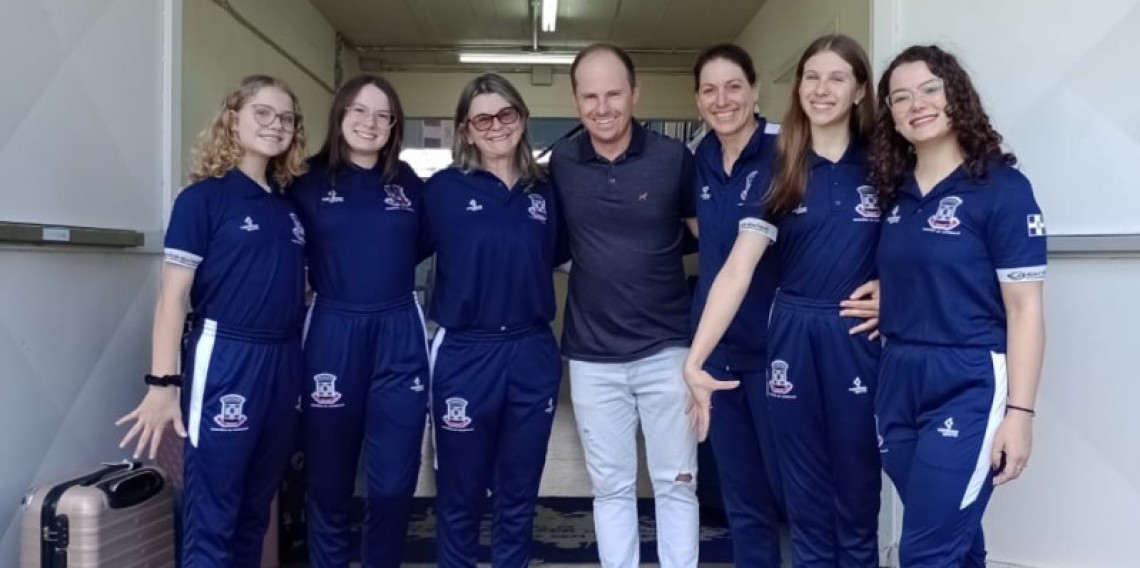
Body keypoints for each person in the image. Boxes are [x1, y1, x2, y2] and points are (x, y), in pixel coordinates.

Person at [685, 35, 882, 567]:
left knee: (857, 501)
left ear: (859, 90)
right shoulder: (783, 166)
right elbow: (737, 269)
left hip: (857, 339)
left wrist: (895, 290)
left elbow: (920, 245)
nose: (821, 89)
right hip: (791, 340)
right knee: (805, 506)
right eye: (811, 77)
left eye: (836, 78)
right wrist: (695, 360)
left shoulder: (886, 161)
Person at [116, 74, 309, 567]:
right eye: (263, 113)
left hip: (285, 360)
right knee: (213, 517)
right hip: (226, 359)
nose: (276, 124)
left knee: (254, 515)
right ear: (233, 118)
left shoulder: (287, 207)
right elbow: (172, 299)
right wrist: (163, 385)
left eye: (286, 118)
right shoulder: (202, 199)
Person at [870, 45, 1046, 567]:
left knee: (924, 550)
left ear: (957, 97)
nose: (916, 104)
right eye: (901, 97)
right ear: (891, 115)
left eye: (930, 89)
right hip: (897, 376)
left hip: (968, 380)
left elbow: (1025, 310)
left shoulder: (1002, 190)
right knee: (953, 537)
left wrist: (1020, 414)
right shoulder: (893, 191)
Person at [550, 43, 699, 568]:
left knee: (677, 483)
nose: (602, 107)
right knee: (611, 489)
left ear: (635, 93)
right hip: (592, 357)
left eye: (613, 93)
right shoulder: (562, 163)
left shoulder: (674, 159)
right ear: (575, 101)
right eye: (590, 96)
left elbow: (710, 237)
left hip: (668, 350)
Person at [422, 73, 567, 568]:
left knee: (518, 495)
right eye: (482, 119)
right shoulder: (441, 191)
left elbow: (561, 253)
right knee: (459, 496)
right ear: (465, 130)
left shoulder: (546, 190)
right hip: (465, 353)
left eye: (506, 114)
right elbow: (393, 251)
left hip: (531, 351)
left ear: (522, 119)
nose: (496, 126)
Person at [289, 73, 428, 568]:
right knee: (328, 481)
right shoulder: (304, 180)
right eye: (360, 111)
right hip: (332, 330)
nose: (371, 123)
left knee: (392, 484)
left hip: (398, 331)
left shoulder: (408, 182)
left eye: (383, 115)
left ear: (394, 126)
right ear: (340, 115)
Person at [685, 43, 784, 568]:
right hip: (718, 358)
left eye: (733, 87)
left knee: (795, 495)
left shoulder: (786, 149)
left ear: (755, 89)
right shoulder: (700, 158)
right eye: (709, 90)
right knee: (743, 503)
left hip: (777, 353)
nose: (722, 100)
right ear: (697, 99)